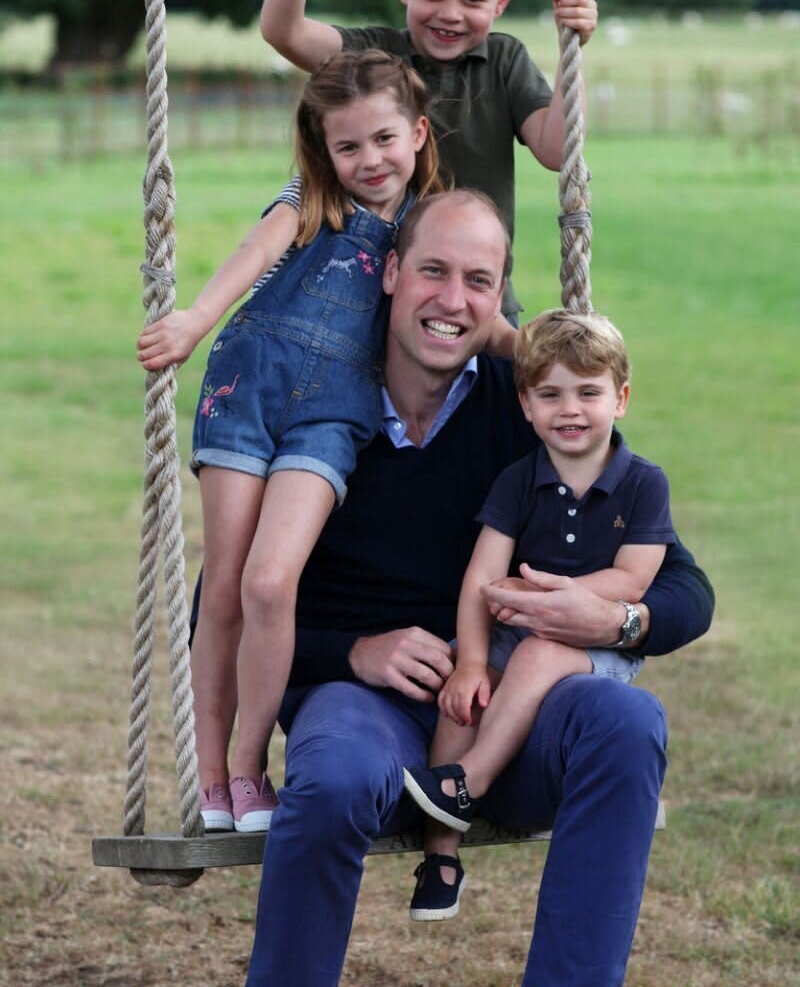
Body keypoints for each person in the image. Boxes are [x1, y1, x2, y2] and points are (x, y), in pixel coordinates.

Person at [242, 190, 714, 987]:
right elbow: (221, 612)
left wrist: (614, 619)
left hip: (513, 711)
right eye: (433, 271)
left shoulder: (526, 408)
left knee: (625, 720)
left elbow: (684, 589)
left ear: (499, 300)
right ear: (390, 273)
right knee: (332, 778)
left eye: (478, 280)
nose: (452, 301)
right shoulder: (316, 406)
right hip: (370, 707)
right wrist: (354, 651)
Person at [137, 50, 450, 834]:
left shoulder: (427, 224)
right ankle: (212, 779)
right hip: (248, 387)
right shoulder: (312, 197)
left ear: (416, 132)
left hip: (334, 413)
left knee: (273, 584)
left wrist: (541, 353)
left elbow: (463, 307)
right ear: (325, 151)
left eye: (383, 140)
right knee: (226, 587)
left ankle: (249, 766)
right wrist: (194, 320)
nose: (368, 161)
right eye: (348, 147)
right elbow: (254, 255)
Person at [402, 308, 676, 921]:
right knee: (461, 695)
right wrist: (471, 663)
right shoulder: (518, 481)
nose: (570, 409)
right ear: (526, 405)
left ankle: (468, 779)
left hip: (596, 641)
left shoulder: (643, 485)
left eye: (588, 392)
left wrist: (557, 601)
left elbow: (634, 578)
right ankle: (441, 853)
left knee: (539, 651)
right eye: (550, 394)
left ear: (621, 398)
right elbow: (481, 577)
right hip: (516, 625)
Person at [259, 0, 598, 320]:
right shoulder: (375, 56)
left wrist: (570, 51)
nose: (451, 14)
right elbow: (285, 31)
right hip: (377, 307)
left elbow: (558, 150)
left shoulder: (504, 61)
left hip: (479, 304)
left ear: (501, 2)